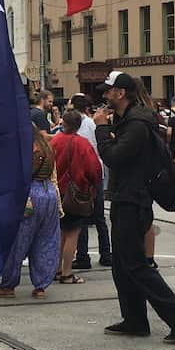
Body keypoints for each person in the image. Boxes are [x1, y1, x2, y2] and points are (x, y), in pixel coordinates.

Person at [94, 71, 175, 343]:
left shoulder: (137, 124)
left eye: (108, 91)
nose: (104, 96)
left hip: (133, 200)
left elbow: (114, 157)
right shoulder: (131, 120)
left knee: (135, 264)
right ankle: (135, 319)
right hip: (127, 197)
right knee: (122, 265)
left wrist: (102, 129)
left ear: (121, 93)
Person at [0, 117, 62, 300]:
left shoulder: (24, 148)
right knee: (46, 241)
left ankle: (8, 286)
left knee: (17, 242)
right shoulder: (47, 146)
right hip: (50, 195)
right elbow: (54, 177)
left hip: (29, 195)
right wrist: (59, 205)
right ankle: (41, 286)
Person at [51, 109, 101, 285]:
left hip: (56, 192)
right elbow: (94, 168)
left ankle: (56, 270)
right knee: (72, 233)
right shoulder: (82, 144)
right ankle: (66, 273)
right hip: (75, 193)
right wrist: (94, 186)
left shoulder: (55, 141)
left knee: (59, 233)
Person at [68, 94, 110, 271]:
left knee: (82, 217)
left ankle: (83, 256)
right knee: (99, 217)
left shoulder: (78, 125)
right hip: (97, 172)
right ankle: (106, 254)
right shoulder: (92, 123)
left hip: (83, 174)